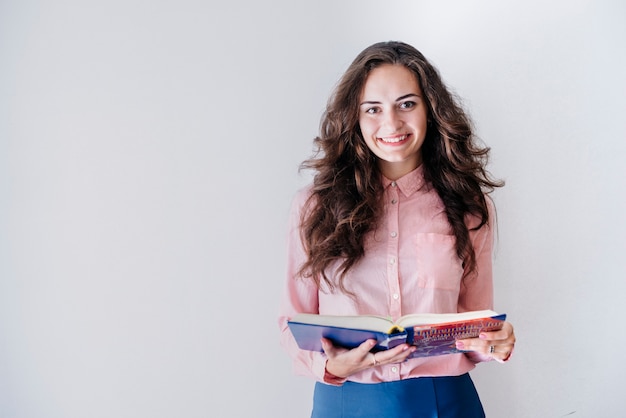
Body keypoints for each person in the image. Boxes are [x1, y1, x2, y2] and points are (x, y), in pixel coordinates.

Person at [278, 40, 516, 418]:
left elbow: (473, 322)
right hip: (346, 400)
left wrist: (494, 343)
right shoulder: (314, 206)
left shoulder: (469, 206)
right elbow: (291, 320)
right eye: (373, 109)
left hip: (445, 401)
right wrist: (329, 367)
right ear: (354, 118)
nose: (391, 124)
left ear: (430, 110)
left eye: (407, 104)